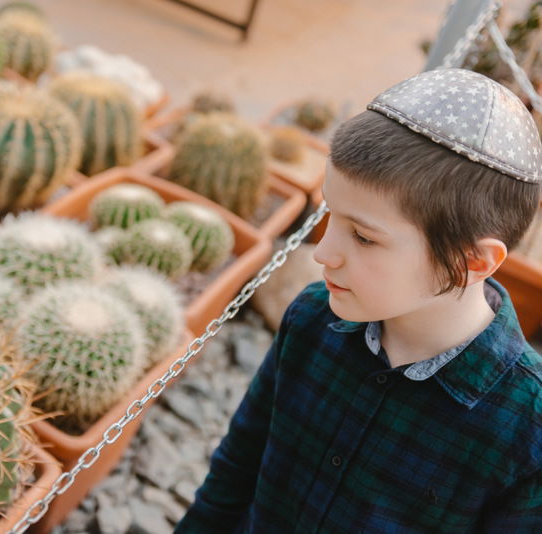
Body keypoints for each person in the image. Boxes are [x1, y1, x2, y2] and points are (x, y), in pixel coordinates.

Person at [174, 68, 542, 533]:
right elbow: (238, 465)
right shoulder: (312, 315)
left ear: (470, 261)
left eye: (364, 237)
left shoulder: (528, 429)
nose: (323, 253)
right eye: (330, 214)